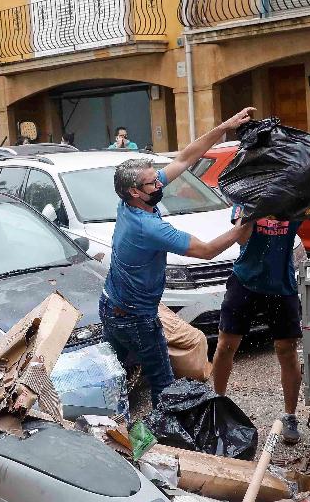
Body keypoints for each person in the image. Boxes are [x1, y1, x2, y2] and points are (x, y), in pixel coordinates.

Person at [101, 107, 256, 407]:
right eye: (153, 183)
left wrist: (226, 125)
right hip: (135, 317)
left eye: (156, 179)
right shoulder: (148, 227)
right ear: (135, 191)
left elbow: (185, 158)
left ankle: (116, 428)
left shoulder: (131, 201)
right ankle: (168, 444)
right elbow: (207, 250)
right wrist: (246, 223)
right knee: (162, 383)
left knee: (119, 379)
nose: (160, 184)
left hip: (113, 305)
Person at [210, 194, 310, 444]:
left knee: (286, 350)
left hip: (282, 285)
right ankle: (217, 403)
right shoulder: (249, 195)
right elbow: (241, 237)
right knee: (226, 345)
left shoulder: (294, 196)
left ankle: (290, 415)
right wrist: (257, 207)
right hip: (245, 281)